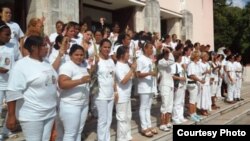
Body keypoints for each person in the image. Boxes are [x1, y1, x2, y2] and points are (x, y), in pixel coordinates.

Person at [6, 35, 58, 141]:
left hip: (49, 112)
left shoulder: (46, 62)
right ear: (33, 47)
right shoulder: (21, 66)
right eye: (43, 45)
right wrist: (11, 116)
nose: (47, 47)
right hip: (32, 114)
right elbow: (12, 92)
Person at [58, 44, 91, 141]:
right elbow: (62, 84)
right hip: (70, 104)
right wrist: (80, 81)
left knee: (79, 131)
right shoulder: (67, 66)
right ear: (70, 55)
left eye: (81, 55)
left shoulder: (83, 66)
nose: (79, 57)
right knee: (70, 133)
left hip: (83, 103)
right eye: (77, 55)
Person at [0, 21, 21, 140]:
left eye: (10, 34)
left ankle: (6, 131)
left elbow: (19, 60)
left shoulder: (13, 45)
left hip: (10, 82)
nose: (10, 37)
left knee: (11, 109)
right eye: (6, 34)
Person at [95, 39, 116, 141]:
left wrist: (115, 91)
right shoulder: (96, 60)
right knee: (102, 120)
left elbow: (113, 77)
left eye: (109, 47)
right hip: (100, 95)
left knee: (109, 120)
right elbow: (90, 74)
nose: (107, 49)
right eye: (105, 47)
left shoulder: (111, 60)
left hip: (110, 94)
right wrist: (94, 64)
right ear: (100, 47)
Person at [136, 42, 158, 137]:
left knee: (148, 107)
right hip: (144, 86)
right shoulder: (140, 59)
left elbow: (153, 71)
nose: (151, 50)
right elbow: (138, 74)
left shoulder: (150, 59)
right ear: (145, 49)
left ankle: (149, 125)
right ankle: (144, 127)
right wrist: (149, 73)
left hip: (150, 86)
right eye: (149, 48)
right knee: (143, 106)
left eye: (152, 48)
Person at [115, 46, 137, 141]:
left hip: (127, 95)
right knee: (122, 117)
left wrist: (133, 68)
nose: (129, 55)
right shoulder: (118, 66)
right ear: (121, 55)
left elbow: (133, 76)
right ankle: (121, 138)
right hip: (121, 95)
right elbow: (123, 81)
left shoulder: (126, 64)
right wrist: (132, 69)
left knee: (128, 116)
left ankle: (127, 135)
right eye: (127, 53)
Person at [157, 47, 175, 130]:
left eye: (169, 53)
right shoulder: (161, 62)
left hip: (170, 85)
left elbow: (171, 62)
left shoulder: (168, 62)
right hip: (164, 85)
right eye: (167, 53)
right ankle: (162, 124)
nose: (168, 55)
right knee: (164, 104)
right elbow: (172, 61)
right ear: (164, 54)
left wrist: (169, 51)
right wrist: (170, 51)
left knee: (169, 104)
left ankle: (167, 122)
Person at [186, 51, 204, 122]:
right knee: (192, 100)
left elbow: (199, 73)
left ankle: (194, 113)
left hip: (198, 83)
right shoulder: (191, 65)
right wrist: (200, 80)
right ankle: (191, 114)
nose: (200, 57)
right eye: (199, 56)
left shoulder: (197, 64)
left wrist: (201, 80)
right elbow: (191, 75)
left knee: (195, 99)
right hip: (193, 83)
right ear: (195, 56)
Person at [171, 51, 187, 124]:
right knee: (177, 102)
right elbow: (172, 75)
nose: (181, 58)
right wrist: (181, 78)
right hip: (178, 85)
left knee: (181, 102)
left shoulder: (180, 65)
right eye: (180, 56)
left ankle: (181, 116)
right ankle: (175, 117)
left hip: (182, 85)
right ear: (177, 57)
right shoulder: (174, 65)